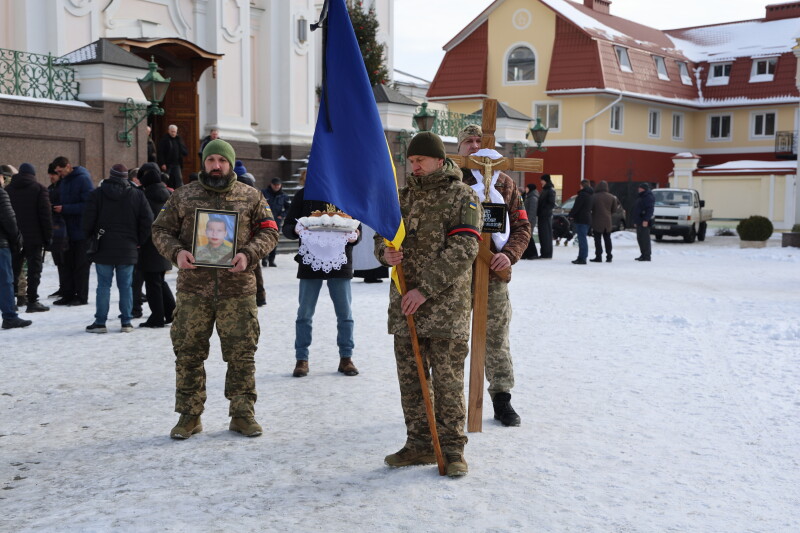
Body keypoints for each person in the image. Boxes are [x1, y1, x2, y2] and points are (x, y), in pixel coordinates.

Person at [152, 139, 278, 439]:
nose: (216, 166)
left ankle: (242, 414)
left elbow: (270, 230)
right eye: (211, 161)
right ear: (204, 163)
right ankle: (189, 416)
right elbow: (160, 230)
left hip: (238, 290)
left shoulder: (251, 196)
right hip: (194, 290)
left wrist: (248, 254)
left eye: (222, 160)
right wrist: (177, 253)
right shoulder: (184, 195)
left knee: (241, 354)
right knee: (188, 353)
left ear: (231, 164)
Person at [375, 131, 482, 478]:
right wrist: (384, 252)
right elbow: (383, 235)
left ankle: (452, 449)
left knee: (448, 382)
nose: (415, 166)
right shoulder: (400, 198)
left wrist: (424, 289)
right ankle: (419, 443)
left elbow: (464, 249)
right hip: (405, 308)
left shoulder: (461, 197)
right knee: (411, 380)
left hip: (444, 310)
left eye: (421, 160)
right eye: (411, 160)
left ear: (439, 160)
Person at [456, 124, 530, 427]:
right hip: (455, 274)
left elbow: (522, 227)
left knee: (496, 338)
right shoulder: (450, 180)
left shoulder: (506, 183)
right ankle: (449, 400)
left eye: (480, 141)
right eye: (469, 141)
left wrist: (508, 255)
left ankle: (502, 399)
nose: (475, 146)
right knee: (452, 338)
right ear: (459, 147)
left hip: (493, 274)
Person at [283, 181, 362, 378]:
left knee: (345, 313)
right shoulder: (304, 194)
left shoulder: (346, 193)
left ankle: (346, 357)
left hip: (340, 261)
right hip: (310, 261)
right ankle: (302, 359)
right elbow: (286, 227)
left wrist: (356, 236)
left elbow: (357, 228)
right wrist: (295, 230)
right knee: (304, 313)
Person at [82, 164, 153, 333]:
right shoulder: (137, 195)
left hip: (103, 247)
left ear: (110, 175)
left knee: (103, 286)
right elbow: (148, 221)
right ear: (125, 177)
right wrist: (138, 241)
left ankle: (100, 323)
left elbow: (87, 222)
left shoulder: (97, 194)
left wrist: (92, 238)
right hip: (128, 248)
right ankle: (126, 322)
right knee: (126, 286)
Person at [6, 163, 52, 312]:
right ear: (33, 174)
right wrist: (48, 236)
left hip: (14, 237)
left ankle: (11, 301)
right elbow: (45, 216)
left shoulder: (8, 190)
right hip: (35, 238)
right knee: (34, 270)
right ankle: (32, 301)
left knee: (13, 269)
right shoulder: (39, 189)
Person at [51, 156, 94, 306]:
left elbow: (88, 205)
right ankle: (68, 294)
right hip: (67, 231)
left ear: (68, 166)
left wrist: (65, 209)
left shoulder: (83, 179)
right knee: (67, 264)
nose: (59, 173)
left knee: (81, 265)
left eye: (60, 170)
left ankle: (81, 296)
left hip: (81, 231)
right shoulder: (64, 181)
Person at [137, 163, 175, 328]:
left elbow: (146, 223)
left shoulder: (145, 197)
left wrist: (139, 241)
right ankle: (171, 311)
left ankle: (157, 317)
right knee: (160, 279)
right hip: (165, 243)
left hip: (150, 245)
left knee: (152, 282)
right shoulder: (168, 194)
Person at [0, 171, 31, 329]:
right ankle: (10, 317)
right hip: (1, 244)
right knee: (5, 281)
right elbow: (9, 219)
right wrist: (17, 238)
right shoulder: (1, 193)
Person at [47, 163, 69, 298]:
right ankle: (62, 286)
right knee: (59, 260)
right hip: (54, 227)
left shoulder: (63, 188)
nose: (51, 177)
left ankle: (66, 287)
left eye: (53, 174)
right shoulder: (51, 188)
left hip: (62, 227)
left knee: (64, 260)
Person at [261, 177, 288, 267]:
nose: (276, 187)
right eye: (275, 185)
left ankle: (271, 260)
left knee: (274, 241)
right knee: (264, 240)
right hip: (265, 221)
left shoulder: (284, 196)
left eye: (278, 185)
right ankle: (264, 258)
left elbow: (289, 208)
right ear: (271, 184)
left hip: (276, 222)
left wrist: (282, 215)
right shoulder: (264, 193)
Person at [590, 180, 620, 263]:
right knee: (607, 239)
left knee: (597, 239)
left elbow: (591, 208)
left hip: (597, 220)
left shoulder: (594, 196)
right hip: (607, 221)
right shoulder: (612, 197)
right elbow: (614, 210)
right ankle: (609, 256)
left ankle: (598, 256)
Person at [568, 179, 593, 265]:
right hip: (587, 218)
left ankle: (582, 258)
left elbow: (576, 207)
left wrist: (571, 215)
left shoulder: (582, 195)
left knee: (582, 239)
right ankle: (581, 257)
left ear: (582, 186)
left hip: (581, 219)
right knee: (582, 239)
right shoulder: (590, 195)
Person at [157, 125, 188, 189]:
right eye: (172, 131)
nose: (173, 133)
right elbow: (160, 152)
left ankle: (181, 192)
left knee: (179, 179)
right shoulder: (164, 139)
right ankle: (164, 191)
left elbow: (184, 150)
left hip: (177, 163)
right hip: (167, 164)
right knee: (166, 178)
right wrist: (162, 163)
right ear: (168, 131)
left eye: (175, 132)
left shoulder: (179, 139)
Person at [633, 182, 655, 261]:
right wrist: (636, 221)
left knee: (645, 239)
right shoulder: (641, 196)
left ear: (644, 189)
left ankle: (647, 256)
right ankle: (643, 254)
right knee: (640, 239)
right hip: (639, 221)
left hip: (644, 221)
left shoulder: (648, 197)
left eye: (640, 188)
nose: (639, 189)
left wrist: (646, 220)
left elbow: (650, 210)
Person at [537, 174, 556, 259]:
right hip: (542, 216)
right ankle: (544, 252)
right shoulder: (545, 190)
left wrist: (544, 211)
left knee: (546, 235)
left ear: (546, 180)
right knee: (542, 235)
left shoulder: (550, 190)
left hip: (545, 216)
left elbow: (551, 204)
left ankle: (547, 253)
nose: (541, 182)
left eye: (542, 180)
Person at [521, 184, 539, 259]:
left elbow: (532, 211)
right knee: (527, 236)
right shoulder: (529, 196)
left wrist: (528, 221)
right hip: (527, 220)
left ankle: (533, 254)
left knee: (528, 237)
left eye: (527, 188)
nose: (526, 189)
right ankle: (528, 253)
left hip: (529, 220)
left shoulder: (533, 198)